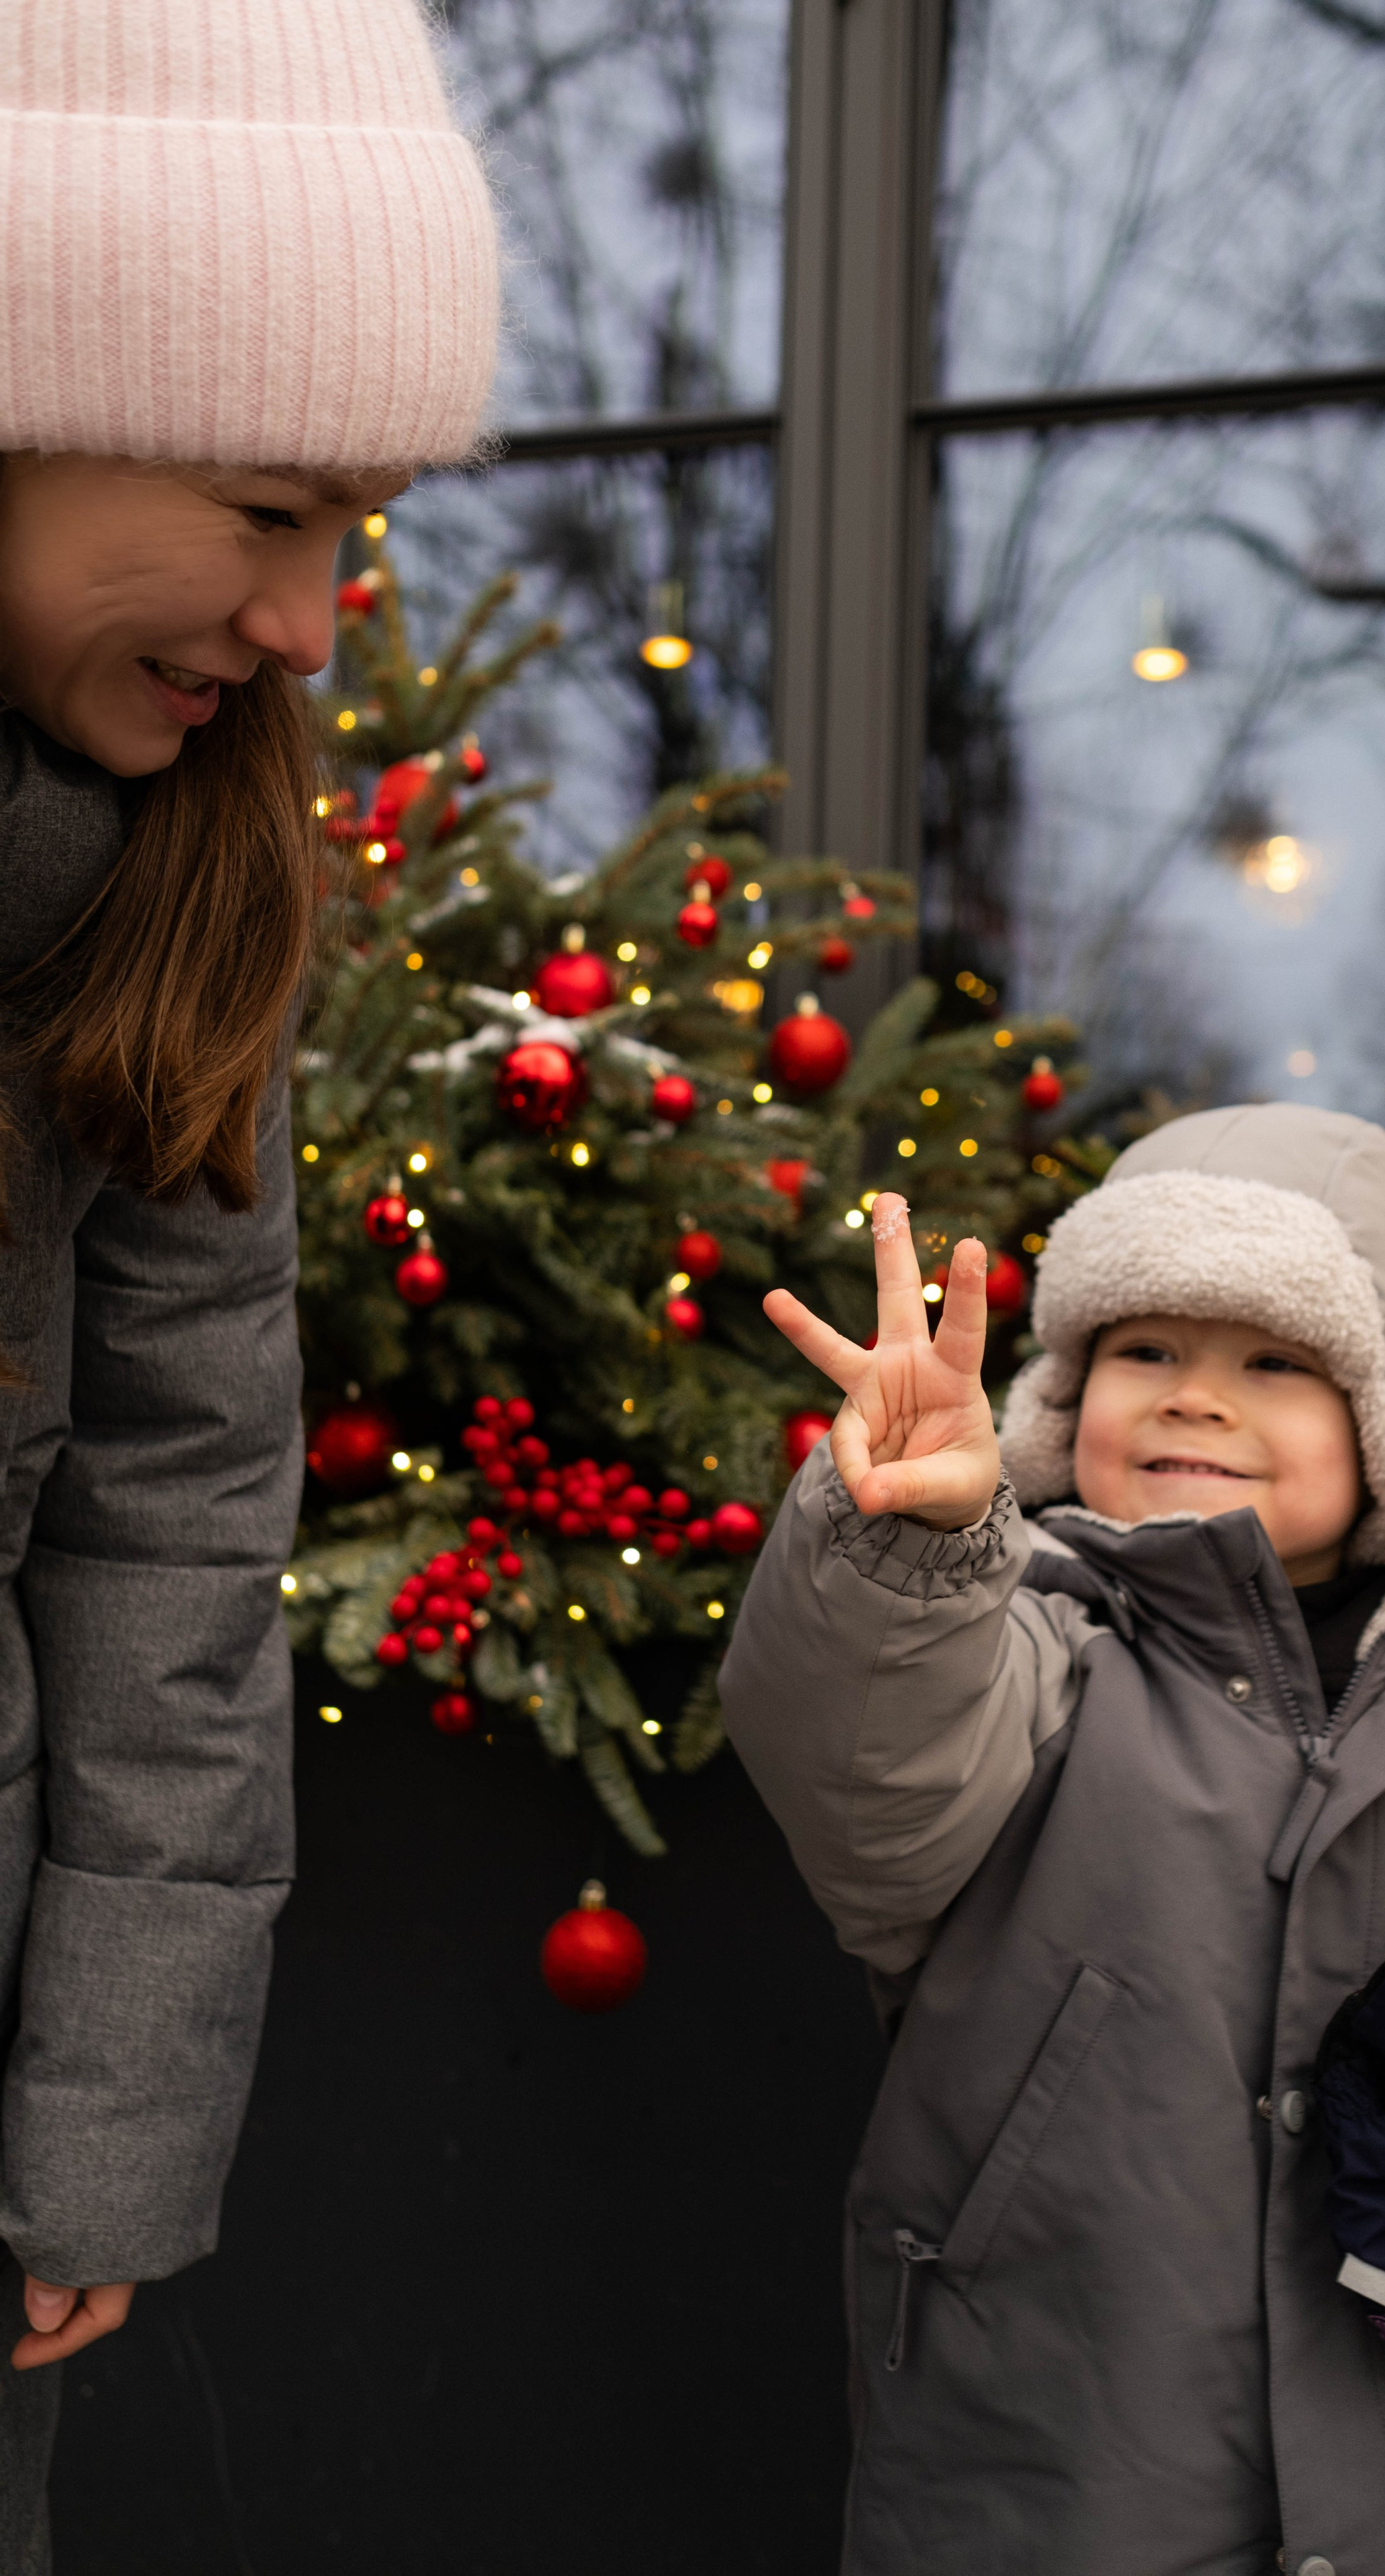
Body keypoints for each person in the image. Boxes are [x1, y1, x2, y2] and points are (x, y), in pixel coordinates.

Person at [721, 1104, 1385, 2576]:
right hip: (1061, 2476)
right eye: (1146, 1350)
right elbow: (857, 1758)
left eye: (1273, 1363)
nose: (1195, 1399)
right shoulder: (1027, 1659)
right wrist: (909, 1551)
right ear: (1070, 1391)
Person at [0, 0, 496, 2558]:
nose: (310, 626)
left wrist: (102, 2121)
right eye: (271, 510)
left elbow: (177, 1516)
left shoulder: (183, 889)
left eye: (355, 537)